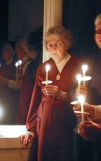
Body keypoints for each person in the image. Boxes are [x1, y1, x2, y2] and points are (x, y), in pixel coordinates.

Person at [20, 26, 82, 161]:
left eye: (57, 44)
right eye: (49, 45)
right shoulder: (42, 68)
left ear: (67, 44)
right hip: (46, 122)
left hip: (68, 120)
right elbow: (35, 98)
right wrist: (31, 127)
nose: (53, 48)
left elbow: (83, 95)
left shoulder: (77, 64)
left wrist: (64, 95)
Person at [72, 13, 101, 161]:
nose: (99, 35)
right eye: (97, 31)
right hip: (83, 129)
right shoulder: (93, 59)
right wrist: (79, 93)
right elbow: (80, 91)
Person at [16, 26, 43, 125]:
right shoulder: (46, 63)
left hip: (34, 114)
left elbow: (26, 96)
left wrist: (21, 119)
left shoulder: (32, 66)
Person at [0, 41, 20, 125]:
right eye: (3, 50)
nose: (4, 52)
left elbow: (17, 84)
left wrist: (6, 82)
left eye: (7, 50)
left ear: (13, 52)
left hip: (9, 101)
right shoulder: (2, 66)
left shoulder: (15, 67)